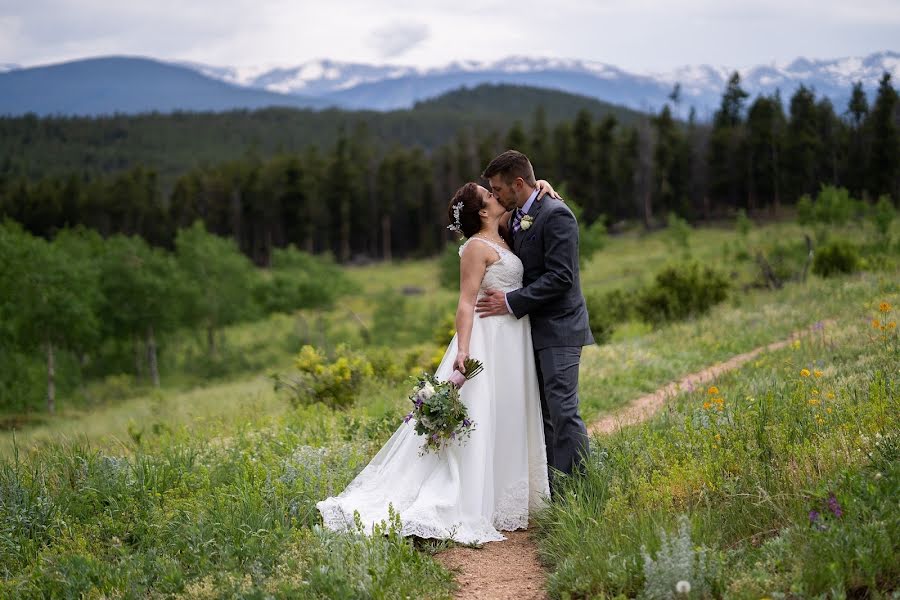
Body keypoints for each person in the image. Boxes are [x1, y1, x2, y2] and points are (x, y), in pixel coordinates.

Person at [316, 179, 560, 544]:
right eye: (490, 195)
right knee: (483, 412)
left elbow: (525, 198)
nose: (497, 196)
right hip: (488, 337)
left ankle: (510, 495)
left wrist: (541, 184)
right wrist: (463, 350)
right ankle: (469, 499)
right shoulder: (476, 247)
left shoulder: (505, 230)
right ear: (482, 210)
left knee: (508, 411)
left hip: (513, 337)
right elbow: (465, 301)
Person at [475, 150, 593, 495]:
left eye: (498, 189)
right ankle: (555, 490)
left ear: (519, 183)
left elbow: (561, 277)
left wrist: (511, 301)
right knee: (543, 415)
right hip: (531, 331)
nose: (495, 195)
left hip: (560, 328)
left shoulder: (556, 215)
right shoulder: (516, 214)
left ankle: (580, 491)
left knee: (563, 411)